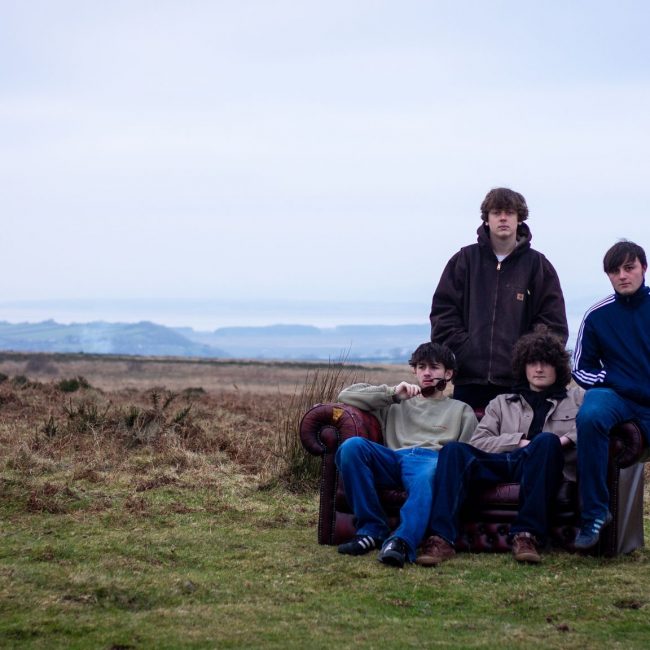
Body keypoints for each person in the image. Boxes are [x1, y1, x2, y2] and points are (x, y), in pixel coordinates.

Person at [416, 326, 582, 566]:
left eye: (546, 363)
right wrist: (518, 441)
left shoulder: (578, 399)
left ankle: (526, 536)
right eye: (532, 362)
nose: (538, 369)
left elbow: (593, 427)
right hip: (506, 462)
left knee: (546, 442)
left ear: (558, 366)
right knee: (454, 450)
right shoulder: (501, 403)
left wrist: (562, 441)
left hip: (544, 465)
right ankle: (441, 539)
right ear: (523, 366)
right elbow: (480, 441)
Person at [335, 342, 478, 568]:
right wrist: (392, 393)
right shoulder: (397, 402)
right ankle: (372, 529)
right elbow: (345, 395)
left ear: (448, 374)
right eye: (421, 367)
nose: (427, 373)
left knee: (427, 475)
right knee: (352, 447)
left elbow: (464, 454)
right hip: (393, 458)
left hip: (430, 460)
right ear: (414, 371)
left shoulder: (461, 410)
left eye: (434, 367)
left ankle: (401, 541)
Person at [429, 187, 568, 411]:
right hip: (469, 382)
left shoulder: (538, 266)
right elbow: (442, 314)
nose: (503, 218)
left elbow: (553, 324)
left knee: (514, 445)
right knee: (465, 444)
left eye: (510, 212)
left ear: (519, 218)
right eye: (496, 212)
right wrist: (466, 350)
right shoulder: (464, 260)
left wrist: (524, 356)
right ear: (487, 220)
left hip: (520, 386)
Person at [571, 240, 650, 550]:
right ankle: (594, 513)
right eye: (614, 271)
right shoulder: (597, 315)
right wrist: (611, 378)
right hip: (618, 396)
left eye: (628, 268)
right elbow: (580, 367)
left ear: (643, 268)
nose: (622, 276)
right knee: (591, 414)